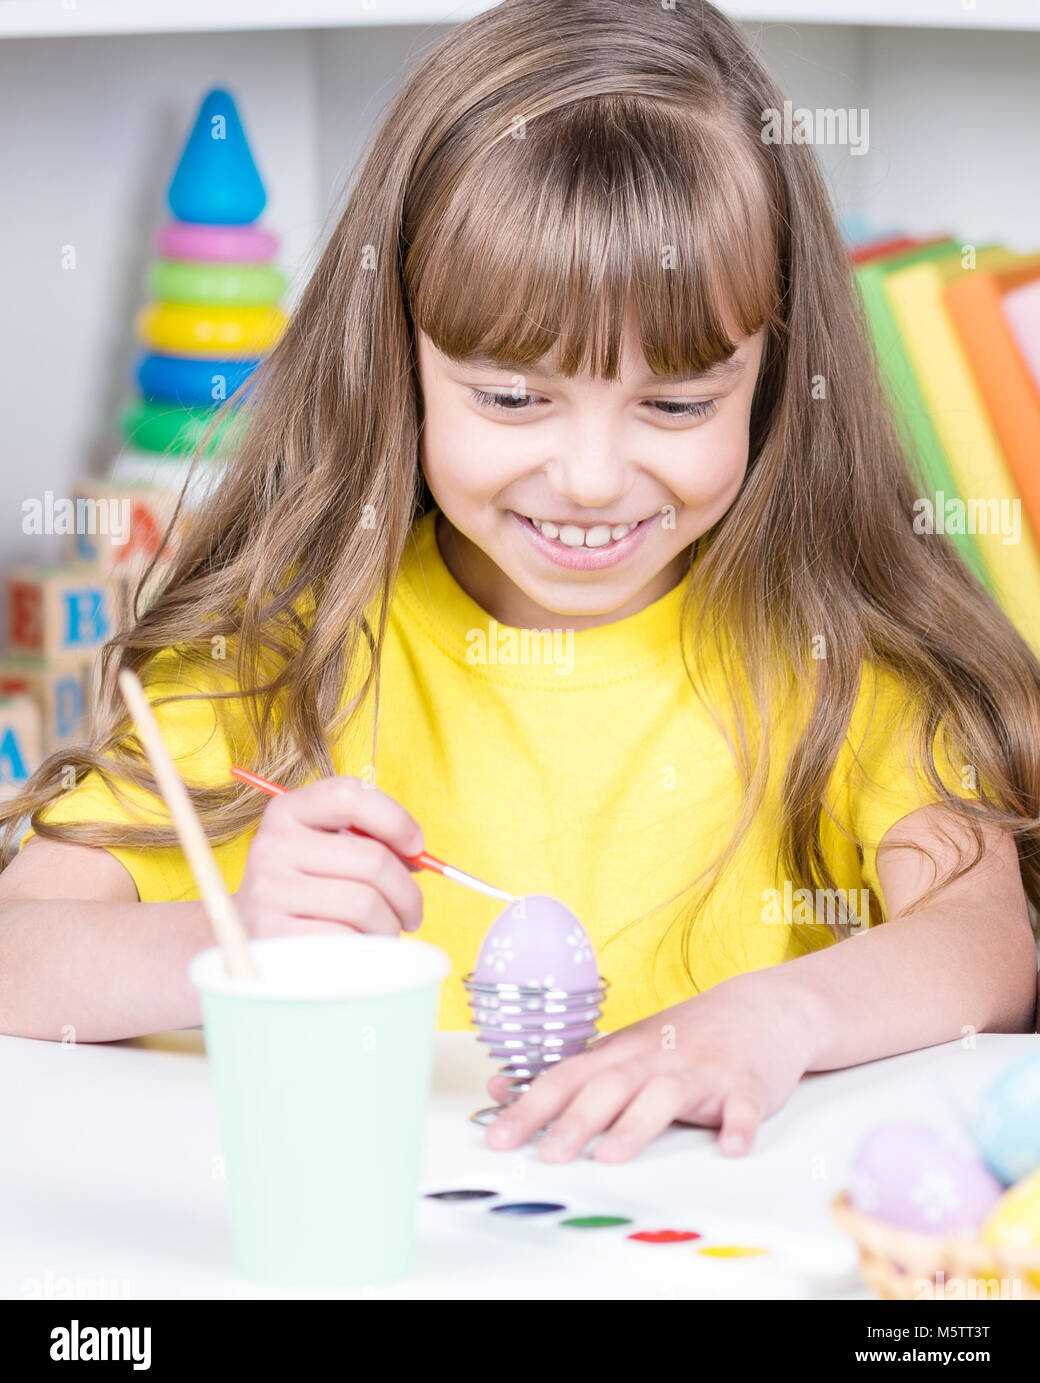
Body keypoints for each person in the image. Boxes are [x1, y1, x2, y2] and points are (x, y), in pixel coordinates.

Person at [2, 0, 1037, 1165]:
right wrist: (233, 935)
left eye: (677, 402)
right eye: (510, 397)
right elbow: (17, 957)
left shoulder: (835, 658)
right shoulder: (275, 653)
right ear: (400, 362)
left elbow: (985, 946)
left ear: (775, 373)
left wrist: (776, 1018)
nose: (591, 477)